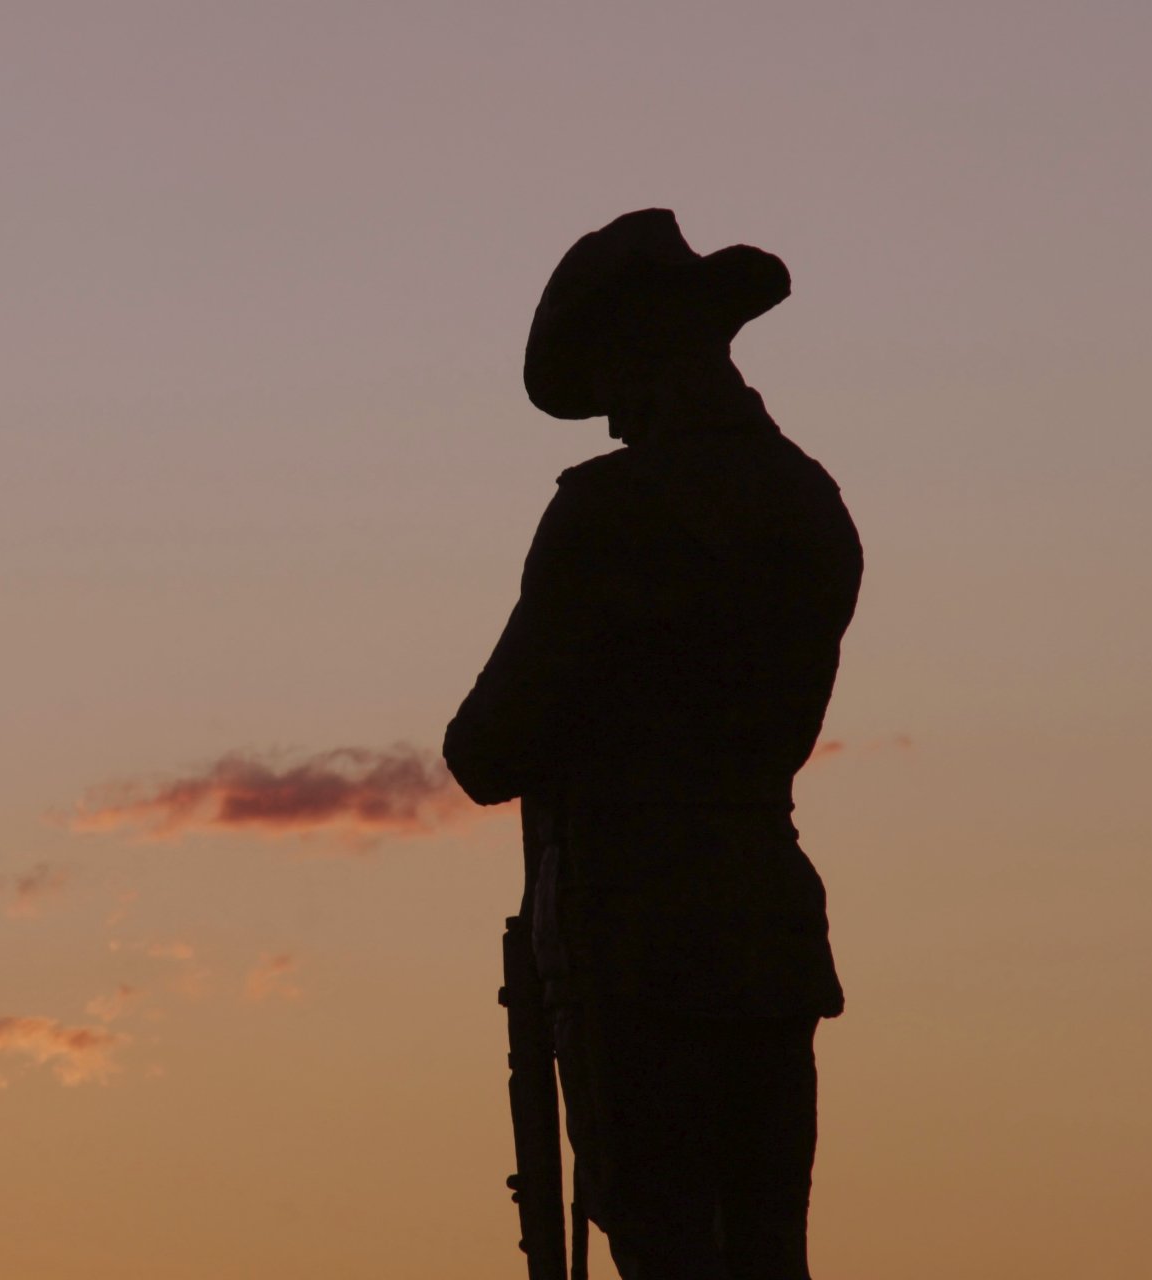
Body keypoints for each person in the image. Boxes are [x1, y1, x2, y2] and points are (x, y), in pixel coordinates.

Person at [444, 209, 861, 1280]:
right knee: (767, 1252)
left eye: (615, 387)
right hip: (768, 932)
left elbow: (486, 748)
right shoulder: (810, 503)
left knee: (666, 1244)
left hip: (636, 949)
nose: (616, 420)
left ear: (647, 359)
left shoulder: (609, 513)